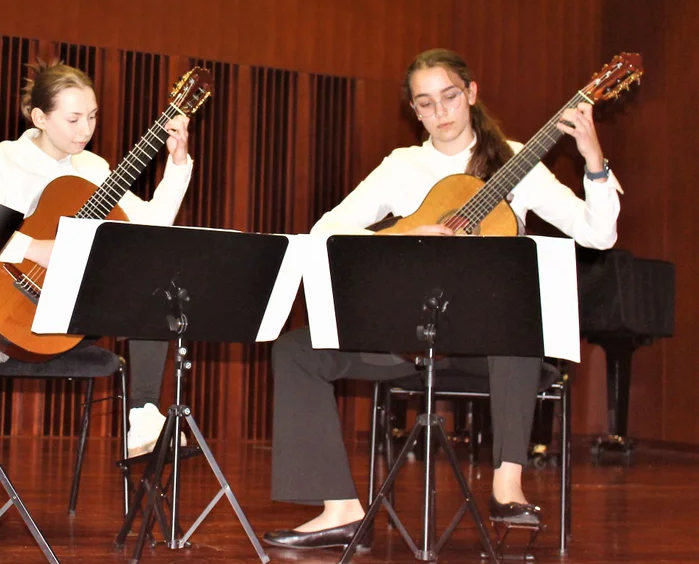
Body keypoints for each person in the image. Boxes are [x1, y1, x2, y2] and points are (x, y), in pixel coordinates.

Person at [263, 48, 621, 551]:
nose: (439, 113)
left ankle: (507, 483)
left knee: (517, 311)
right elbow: (327, 229)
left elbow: (598, 235)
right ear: (414, 110)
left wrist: (593, 160)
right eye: (425, 103)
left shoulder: (518, 162)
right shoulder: (402, 166)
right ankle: (338, 509)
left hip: (487, 353)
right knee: (294, 351)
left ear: (471, 94)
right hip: (405, 345)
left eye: (449, 97)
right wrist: (404, 236)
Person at [0, 60, 193, 535]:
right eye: (73, 119)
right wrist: (33, 248)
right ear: (39, 117)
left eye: (93, 117)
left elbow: (151, 226)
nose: (85, 129)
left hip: (70, 313)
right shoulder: (0, 160)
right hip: (2, 315)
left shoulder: (96, 169)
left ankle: (143, 417)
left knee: (152, 278)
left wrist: (177, 163)